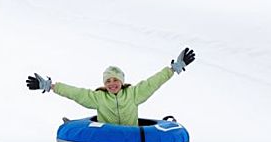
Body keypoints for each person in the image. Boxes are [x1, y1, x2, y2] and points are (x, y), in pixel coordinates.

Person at [26, 48, 195, 126]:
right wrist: (50, 86)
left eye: (115, 80)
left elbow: (153, 82)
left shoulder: (134, 94)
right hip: (106, 136)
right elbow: (76, 93)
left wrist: (173, 69)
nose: (112, 84)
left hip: (131, 137)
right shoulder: (99, 98)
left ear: (121, 82)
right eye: (108, 81)